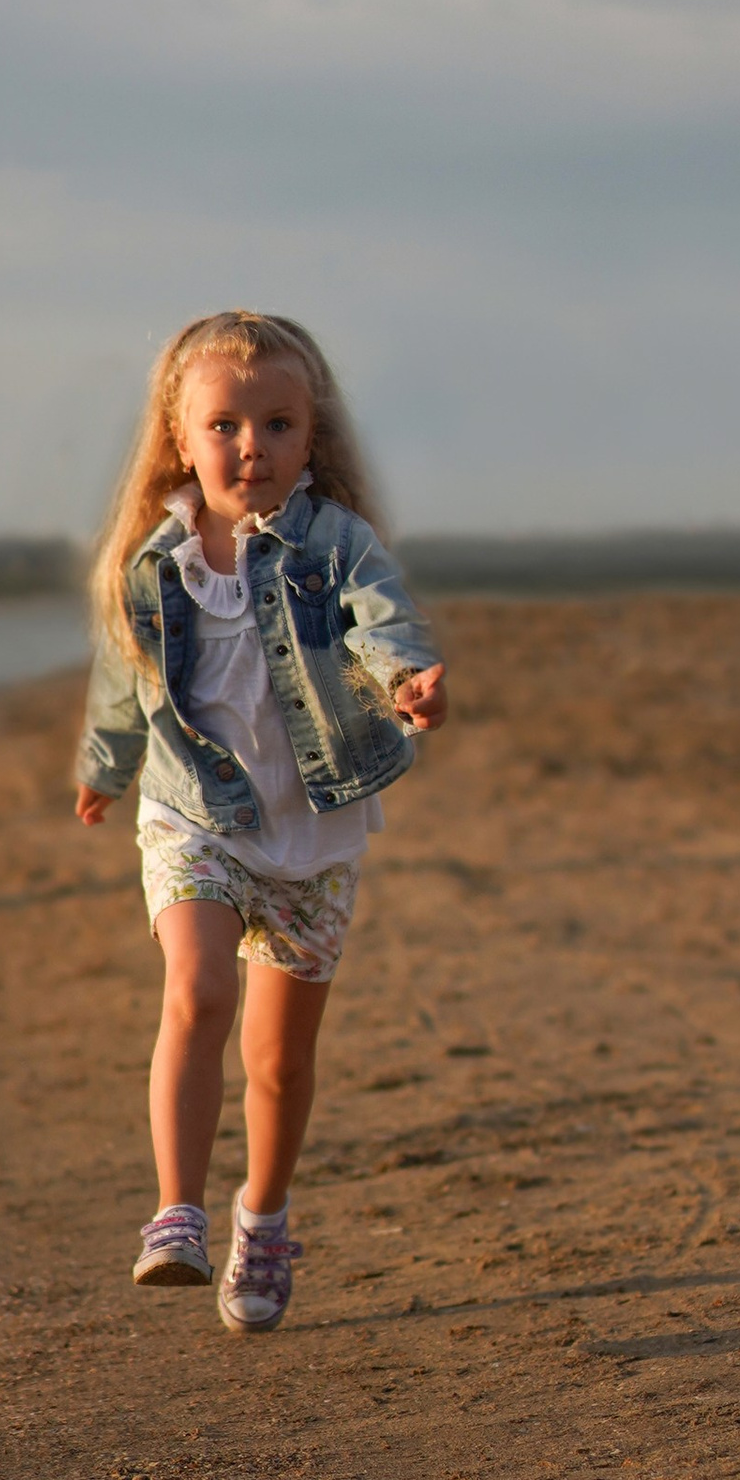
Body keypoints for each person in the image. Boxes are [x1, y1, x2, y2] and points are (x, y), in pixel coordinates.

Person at [74, 309, 447, 1334]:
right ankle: (175, 1214)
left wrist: (407, 678)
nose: (252, 446)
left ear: (310, 437)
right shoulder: (154, 560)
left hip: (312, 832)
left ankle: (264, 1217)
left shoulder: (337, 544)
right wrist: (105, 766)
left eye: (278, 424)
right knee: (195, 992)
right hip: (193, 810)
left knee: (278, 1063)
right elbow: (126, 675)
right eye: (226, 425)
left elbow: (384, 622)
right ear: (181, 440)